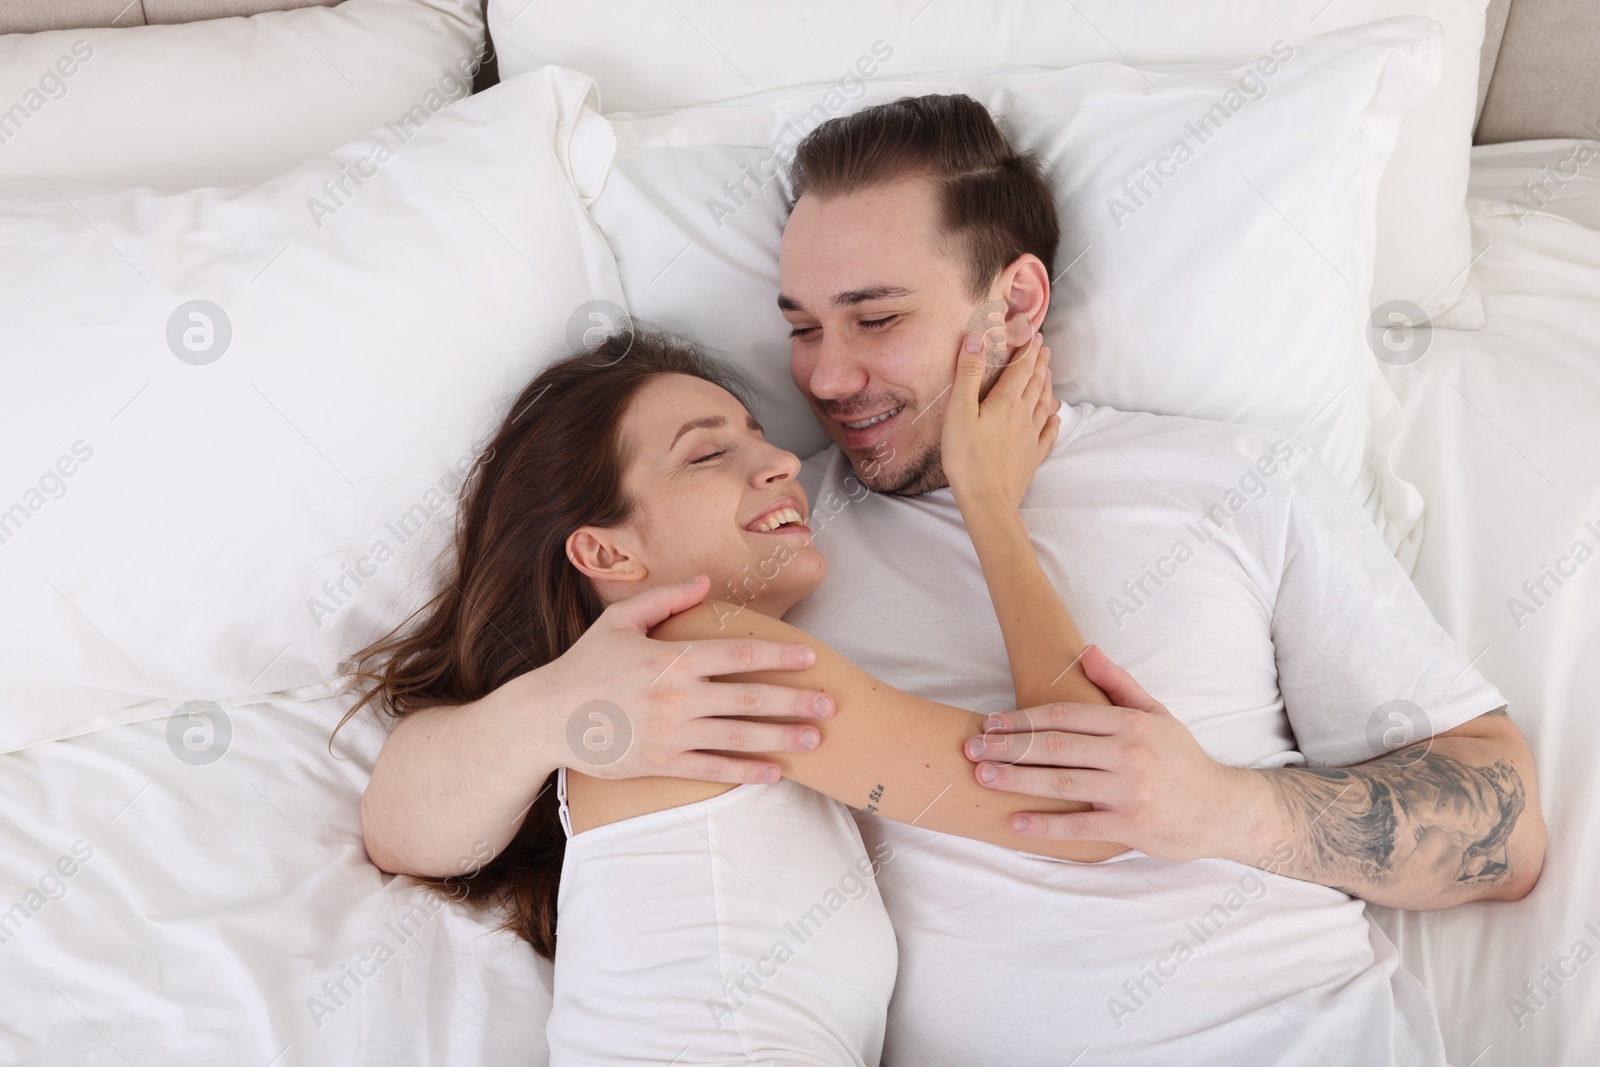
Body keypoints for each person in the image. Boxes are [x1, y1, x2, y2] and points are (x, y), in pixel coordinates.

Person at [362, 94, 1546, 1064]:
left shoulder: (1231, 478)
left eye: (874, 316)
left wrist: (1231, 810)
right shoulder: (766, 541)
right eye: (801, 325)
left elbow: (1507, 827)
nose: (824, 381)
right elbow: (421, 796)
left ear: (1014, 301)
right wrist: (555, 704)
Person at [344, 321, 1118, 1063]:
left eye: (758, 433)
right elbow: (1089, 799)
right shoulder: (697, 649)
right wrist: (986, 502)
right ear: (607, 549)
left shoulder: (675, 691)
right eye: (710, 452)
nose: (781, 458)